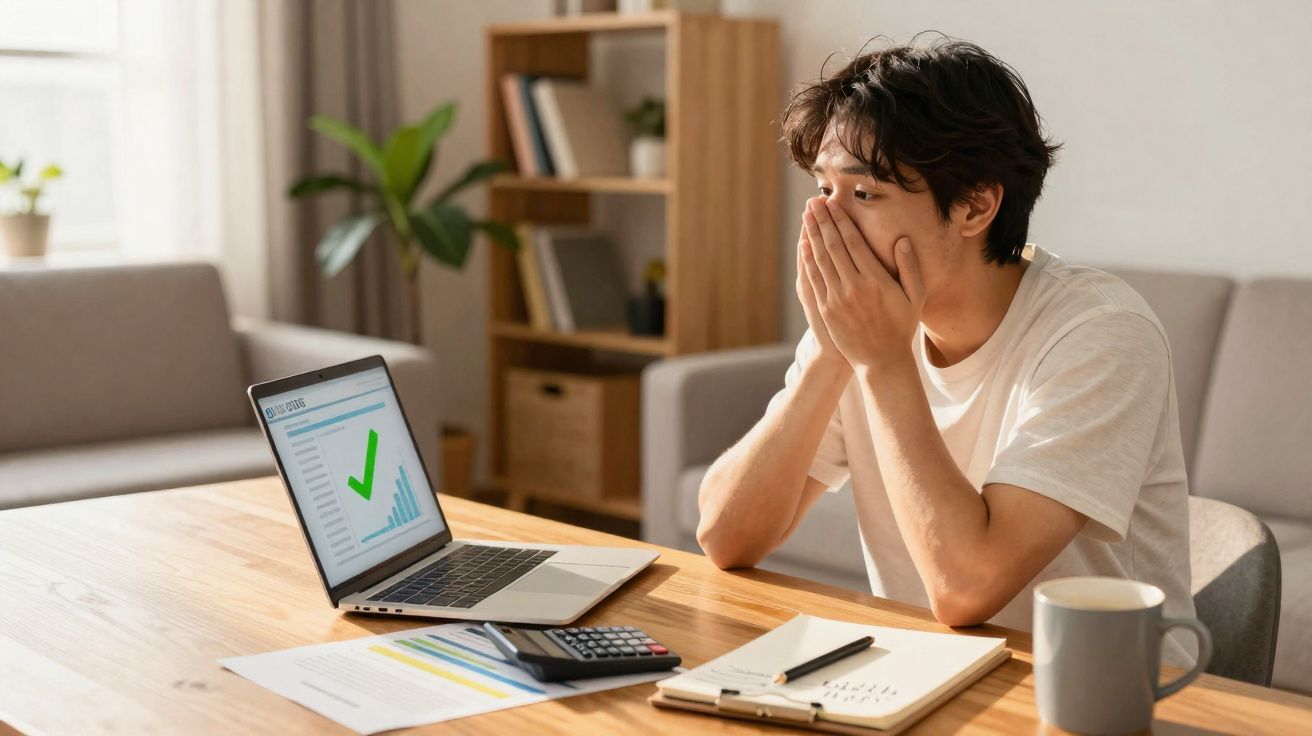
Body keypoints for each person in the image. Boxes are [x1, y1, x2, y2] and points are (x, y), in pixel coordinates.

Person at [694, 37, 1197, 664]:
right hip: (926, 674)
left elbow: (966, 589)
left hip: (1106, 693)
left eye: (864, 194)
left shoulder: (1102, 332)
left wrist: (881, 362)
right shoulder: (866, 320)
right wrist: (829, 352)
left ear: (974, 205)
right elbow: (725, 537)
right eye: (823, 188)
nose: (826, 222)